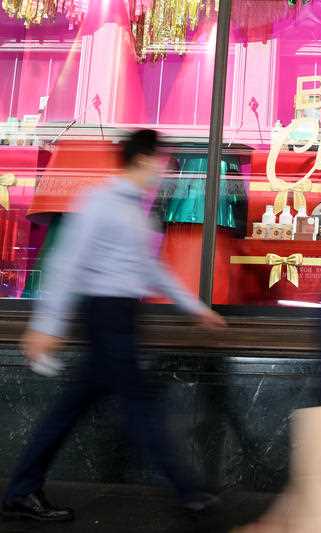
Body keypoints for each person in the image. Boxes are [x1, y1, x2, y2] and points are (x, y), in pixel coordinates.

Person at [2, 129, 226, 522]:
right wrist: (46, 325)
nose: (163, 169)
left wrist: (194, 307)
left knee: (72, 409)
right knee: (139, 406)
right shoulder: (101, 202)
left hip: (120, 317)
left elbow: (149, 268)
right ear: (142, 160)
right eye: (160, 161)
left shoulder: (137, 209)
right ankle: (188, 490)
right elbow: (66, 262)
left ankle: (21, 490)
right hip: (105, 317)